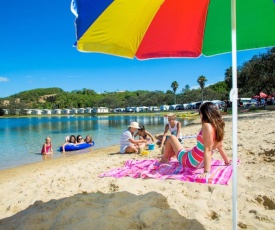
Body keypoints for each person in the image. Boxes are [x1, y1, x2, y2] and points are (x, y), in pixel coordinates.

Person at [160, 102, 230, 178]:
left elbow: (208, 150)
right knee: (183, 149)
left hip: (191, 161)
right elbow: (220, 146)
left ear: (204, 114)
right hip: (201, 162)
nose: (200, 116)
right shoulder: (218, 127)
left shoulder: (207, 126)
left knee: (171, 138)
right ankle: (168, 156)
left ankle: (165, 158)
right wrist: (227, 162)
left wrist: (206, 172)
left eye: (200, 113)